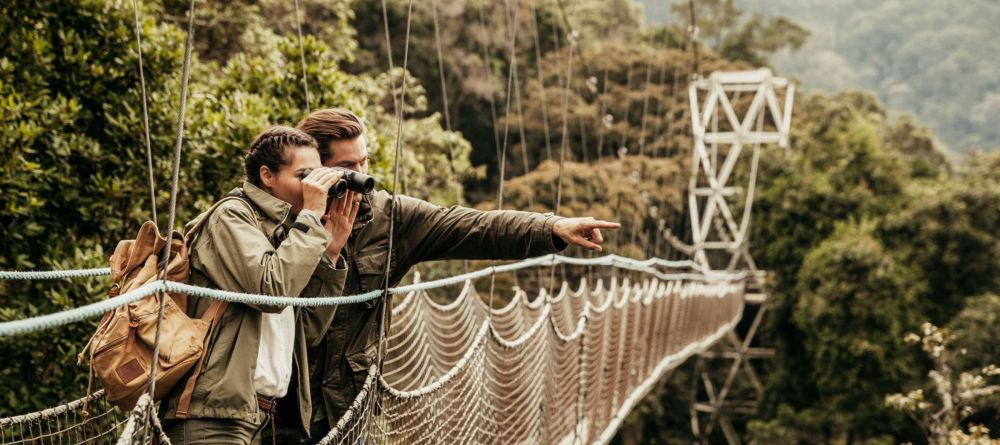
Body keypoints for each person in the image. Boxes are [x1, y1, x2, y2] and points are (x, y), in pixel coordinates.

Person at [294, 109, 620, 442]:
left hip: (348, 407)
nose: (362, 176)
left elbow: (475, 227)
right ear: (314, 169)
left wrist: (552, 228)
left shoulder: (390, 219)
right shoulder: (280, 216)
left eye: (365, 162)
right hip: (285, 408)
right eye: (348, 168)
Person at [159, 126, 359, 444]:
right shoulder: (231, 217)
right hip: (213, 417)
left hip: (264, 416)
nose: (313, 187)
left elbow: (306, 332)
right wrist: (310, 219)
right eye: (304, 175)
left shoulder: (287, 233)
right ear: (267, 175)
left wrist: (330, 255)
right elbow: (270, 291)